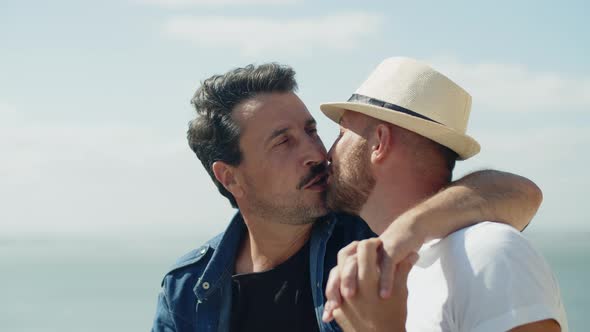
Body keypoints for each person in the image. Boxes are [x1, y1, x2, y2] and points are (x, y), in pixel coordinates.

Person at [151, 63, 543, 332]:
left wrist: (407, 229)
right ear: (230, 176)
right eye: (283, 141)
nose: (315, 152)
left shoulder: (373, 240)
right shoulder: (187, 290)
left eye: (311, 130)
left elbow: (517, 193)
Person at [321, 57, 568, 331]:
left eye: (341, 133)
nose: (328, 154)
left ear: (379, 141)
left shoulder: (490, 253)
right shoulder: (402, 269)